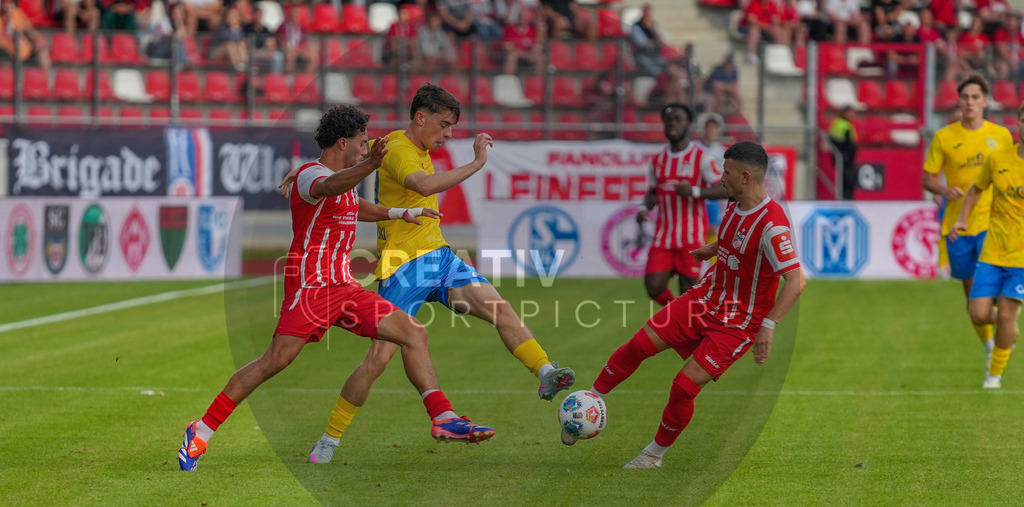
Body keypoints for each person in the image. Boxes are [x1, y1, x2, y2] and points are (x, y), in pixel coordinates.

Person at [176, 105, 493, 471]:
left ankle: (443, 416)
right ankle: (201, 430)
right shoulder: (311, 175)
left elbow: (354, 205)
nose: (366, 148)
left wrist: (400, 213)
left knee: (413, 332)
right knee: (275, 360)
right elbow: (328, 187)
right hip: (311, 288)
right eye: (361, 143)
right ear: (342, 143)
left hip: (344, 288)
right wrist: (370, 165)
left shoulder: (342, 180)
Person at [303, 84, 576, 464]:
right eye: (443, 125)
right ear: (420, 117)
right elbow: (422, 185)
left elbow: (367, 160)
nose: (448, 134)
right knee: (378, 359)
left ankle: (545, 372)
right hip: (403, 265)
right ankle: (330, 438)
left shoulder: (409, 147)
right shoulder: (399, 150)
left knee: (500, 309)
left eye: (451, 127)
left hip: (441, 258)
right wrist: (477, 163)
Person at [566, 141, 805, 468]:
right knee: (638, 346)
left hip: (738, 324)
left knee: (683, 387)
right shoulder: (734, 203)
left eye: (727, 172)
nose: (721, 178)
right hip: (703, 300)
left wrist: (768, 324)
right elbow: (738, 241)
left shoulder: (773, 226)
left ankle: (653, 456)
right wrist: (713, 249)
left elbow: (796, 281)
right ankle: (587, 403)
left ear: (746, 177)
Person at [922, 74, 1014, 374]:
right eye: (965, 97)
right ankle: (991, 345)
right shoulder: (944, 137)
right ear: (959, 102)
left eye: (976, 97)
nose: (970, 102)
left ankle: (1006, 324)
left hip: (994, 223)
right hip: (958, 228)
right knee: (974, 301)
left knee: (994, 292)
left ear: (985, 101)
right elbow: (928, 179)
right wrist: (943, 189)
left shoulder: (1001, 135)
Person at [951, 101, 1024, 389]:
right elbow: (975, 189)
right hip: (993, 251)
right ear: (1018, 123)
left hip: (1021, 258)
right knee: (979, 314)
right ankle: (1008, 329)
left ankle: (994, 376)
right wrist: (962, 219)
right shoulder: (998, 158)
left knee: (1005, 313)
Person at [636, 104, 726, 307]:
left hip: (691, 237)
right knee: (653, 287)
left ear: (688, 124)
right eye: (668, 120)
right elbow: (653, 192)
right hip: (663, 237)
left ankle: (686, 322)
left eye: (678, 120)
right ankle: (681, 315)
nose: (672, 124)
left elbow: (724, 188)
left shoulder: (701, 157)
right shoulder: (657, 161)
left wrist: (694, 191)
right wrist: (644, 208)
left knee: (688, 292)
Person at [828, 105, 858, 201]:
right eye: (849, 112)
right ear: (844, 113)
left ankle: (846, 198)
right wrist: (846, 154)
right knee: (847, 181)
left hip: (845, 157)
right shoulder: (843, 125)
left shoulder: (840, 123)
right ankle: (846, 200)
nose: (852, 114)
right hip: (844, 158)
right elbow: (840, 141)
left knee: (847, 180)